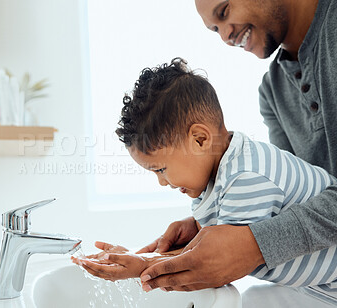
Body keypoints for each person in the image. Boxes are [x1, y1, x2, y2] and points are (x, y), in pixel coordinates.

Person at [72, 58, 337, 295]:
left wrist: (138, 264)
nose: (162, 182)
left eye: (161, 169)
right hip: (316, 287)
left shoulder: (246, 177)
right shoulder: (219, 175)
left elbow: (217, 261)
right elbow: (207, 243)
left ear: (200, 140)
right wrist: (149, 253)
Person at [135, 0, 337, 293]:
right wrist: (209, 225)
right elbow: (295, 200)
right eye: (214, 28)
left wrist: (255, 244)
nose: (225, 37)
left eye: (225, 11)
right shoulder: (273, 90)